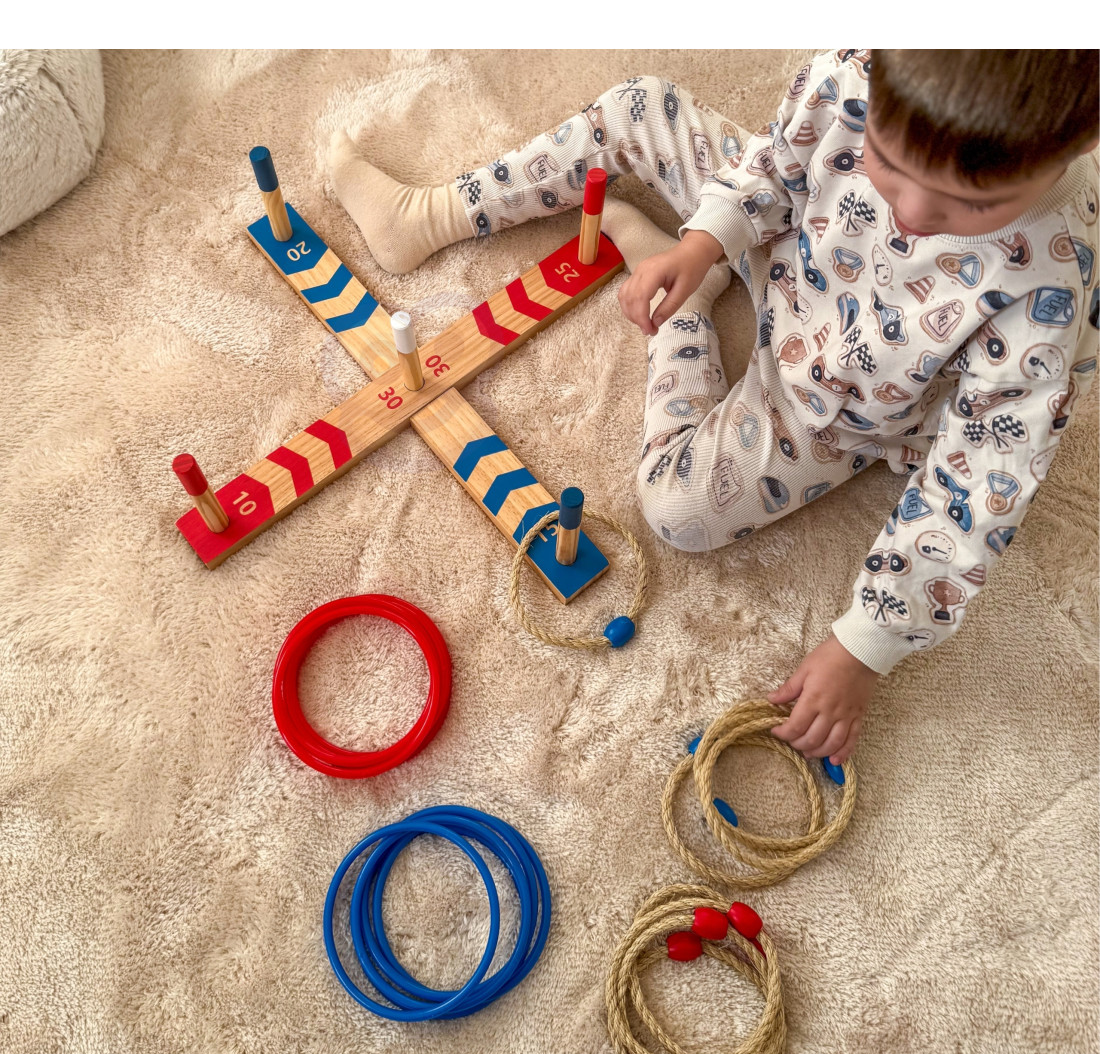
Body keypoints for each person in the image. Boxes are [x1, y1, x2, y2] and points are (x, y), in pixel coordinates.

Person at [327, 49, 1099, 766]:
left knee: (677, 507)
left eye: (969, 206)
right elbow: (778, 165)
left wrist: (866, 645)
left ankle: (692, 311)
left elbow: (978, 488)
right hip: (791, 246)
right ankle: (430, 216)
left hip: (838, 408)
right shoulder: (858, 70)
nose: (913, 211)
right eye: (889, 165)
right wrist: (704, 241)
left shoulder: (1051, 283)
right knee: (638, 108)